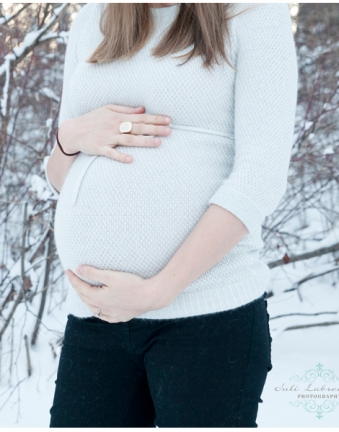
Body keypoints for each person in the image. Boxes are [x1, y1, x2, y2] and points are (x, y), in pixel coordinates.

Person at [43, 2, 298, 428]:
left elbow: (261, 176)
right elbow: (60, 178)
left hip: (206, 319)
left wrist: (159, 290)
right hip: (96, 316)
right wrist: (68, 138)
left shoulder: (253, 13)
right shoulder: (94, 18)